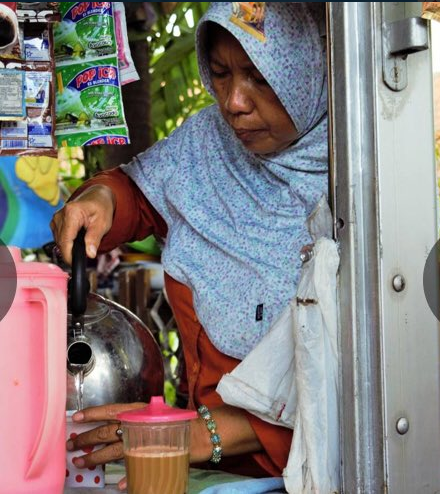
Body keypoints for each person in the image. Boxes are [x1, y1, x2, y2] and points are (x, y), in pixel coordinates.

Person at [51, 2, 328, 488]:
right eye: (220, 74)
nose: (234, 103)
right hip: (199, 463)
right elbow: (140, 193)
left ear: (307, 68)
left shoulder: (360, 180)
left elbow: (353, 380)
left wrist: (203, 435)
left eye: (260, 78)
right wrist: (101, 198)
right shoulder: (205, 144)